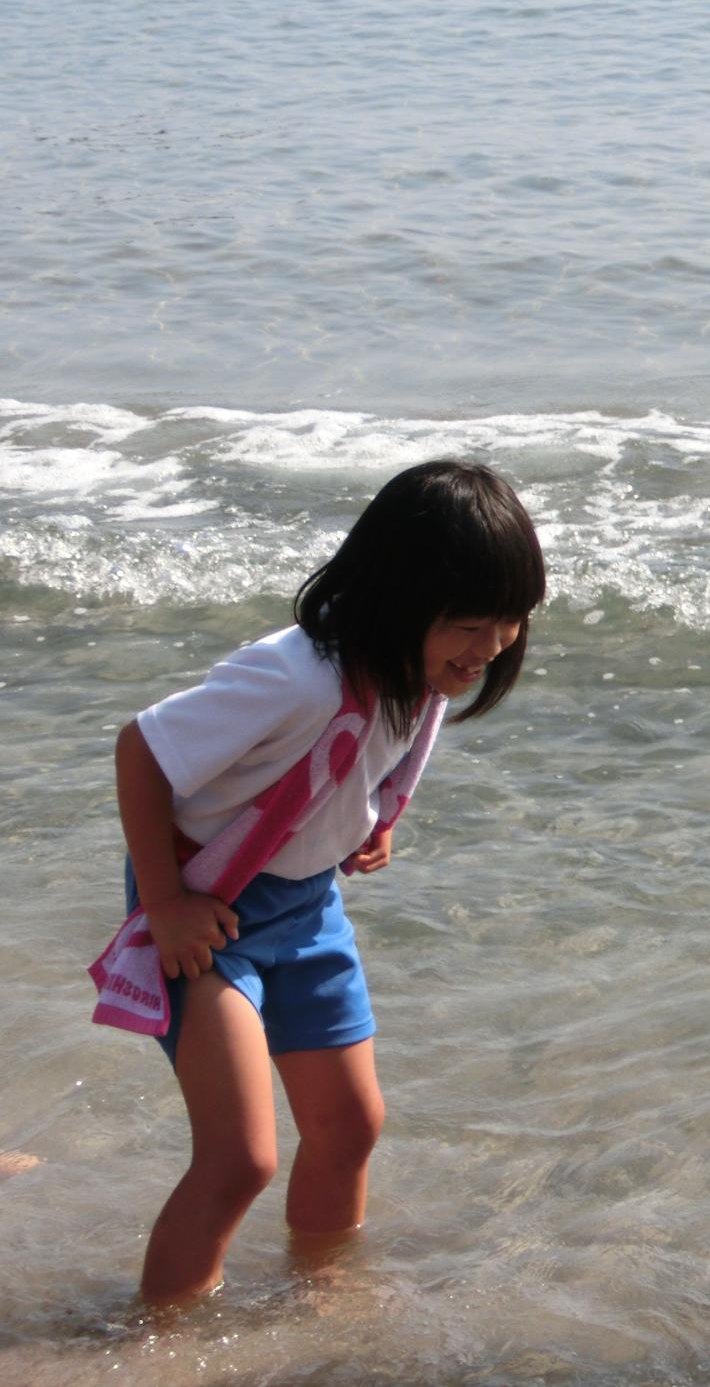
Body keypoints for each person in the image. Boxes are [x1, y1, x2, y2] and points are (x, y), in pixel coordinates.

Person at [102, 460, 545, 1305]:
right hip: (210, 913)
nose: (490, 648)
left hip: (308, 911)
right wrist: (165, 903)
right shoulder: (295, 677)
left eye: (511, 621)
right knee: (240, 1160)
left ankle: (320, 1304)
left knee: (350, 1128)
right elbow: (142, 751)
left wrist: (365, 822)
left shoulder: (419, 674)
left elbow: (347, 765)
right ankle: (156, 1343)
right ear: (395, 599)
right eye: (467, 625)